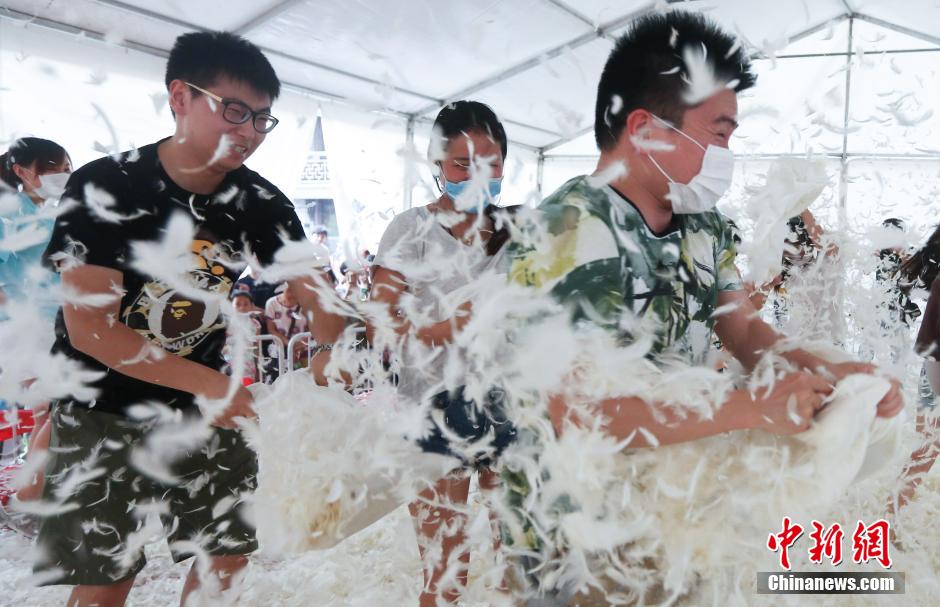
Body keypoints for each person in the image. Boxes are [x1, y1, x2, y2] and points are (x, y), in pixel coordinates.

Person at [503, 12, 903, 603]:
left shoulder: (704, 225)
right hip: (577, 533)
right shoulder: (570, 234)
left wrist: (832, 372)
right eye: (717, 134)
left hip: (674, 503)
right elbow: (581, 415)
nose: (726, 154)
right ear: (644, 129)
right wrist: (750, 408)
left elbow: (741, 328)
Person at [34, 31, 342, 607]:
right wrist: (212, 384)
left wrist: (330, 354)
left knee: (227, 550)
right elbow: (91, 329)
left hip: (196, 403)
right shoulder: (106, 185)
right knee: (107, 575)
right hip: (101, 405)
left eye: (262, 119)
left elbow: (318, 295)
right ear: (179, 96)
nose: (249, 131)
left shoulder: (260, 202)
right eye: (233, 111)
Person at [370, 100, 518, 607]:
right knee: (444, 568)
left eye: (491, 163)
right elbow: (383, 319)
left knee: (518, 561)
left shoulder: (519, 231)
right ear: (437, 164)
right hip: (431, 405)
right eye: (462, 164)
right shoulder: (409, 229)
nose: (478, 175)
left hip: (511, 403)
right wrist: (445, 327)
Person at [0, 137, 72, 535]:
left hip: (58, 323)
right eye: (54, 168)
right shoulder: (8, 214)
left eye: (67, 168)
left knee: (50, 413)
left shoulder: (50, 212)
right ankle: (27, 500)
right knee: (61, 410)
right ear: (22, 171)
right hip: (30, 328)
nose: (64, 175)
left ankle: (37, 497)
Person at [264, 282, 309, 368]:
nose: (292, 294)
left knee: (307, 377)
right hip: (281, 349)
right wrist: (290, 344)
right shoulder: (272, 303)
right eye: (289, 290)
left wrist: (301, 345)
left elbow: (311, 328)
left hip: (304, 349)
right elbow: (271, 330)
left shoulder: (306, 303)